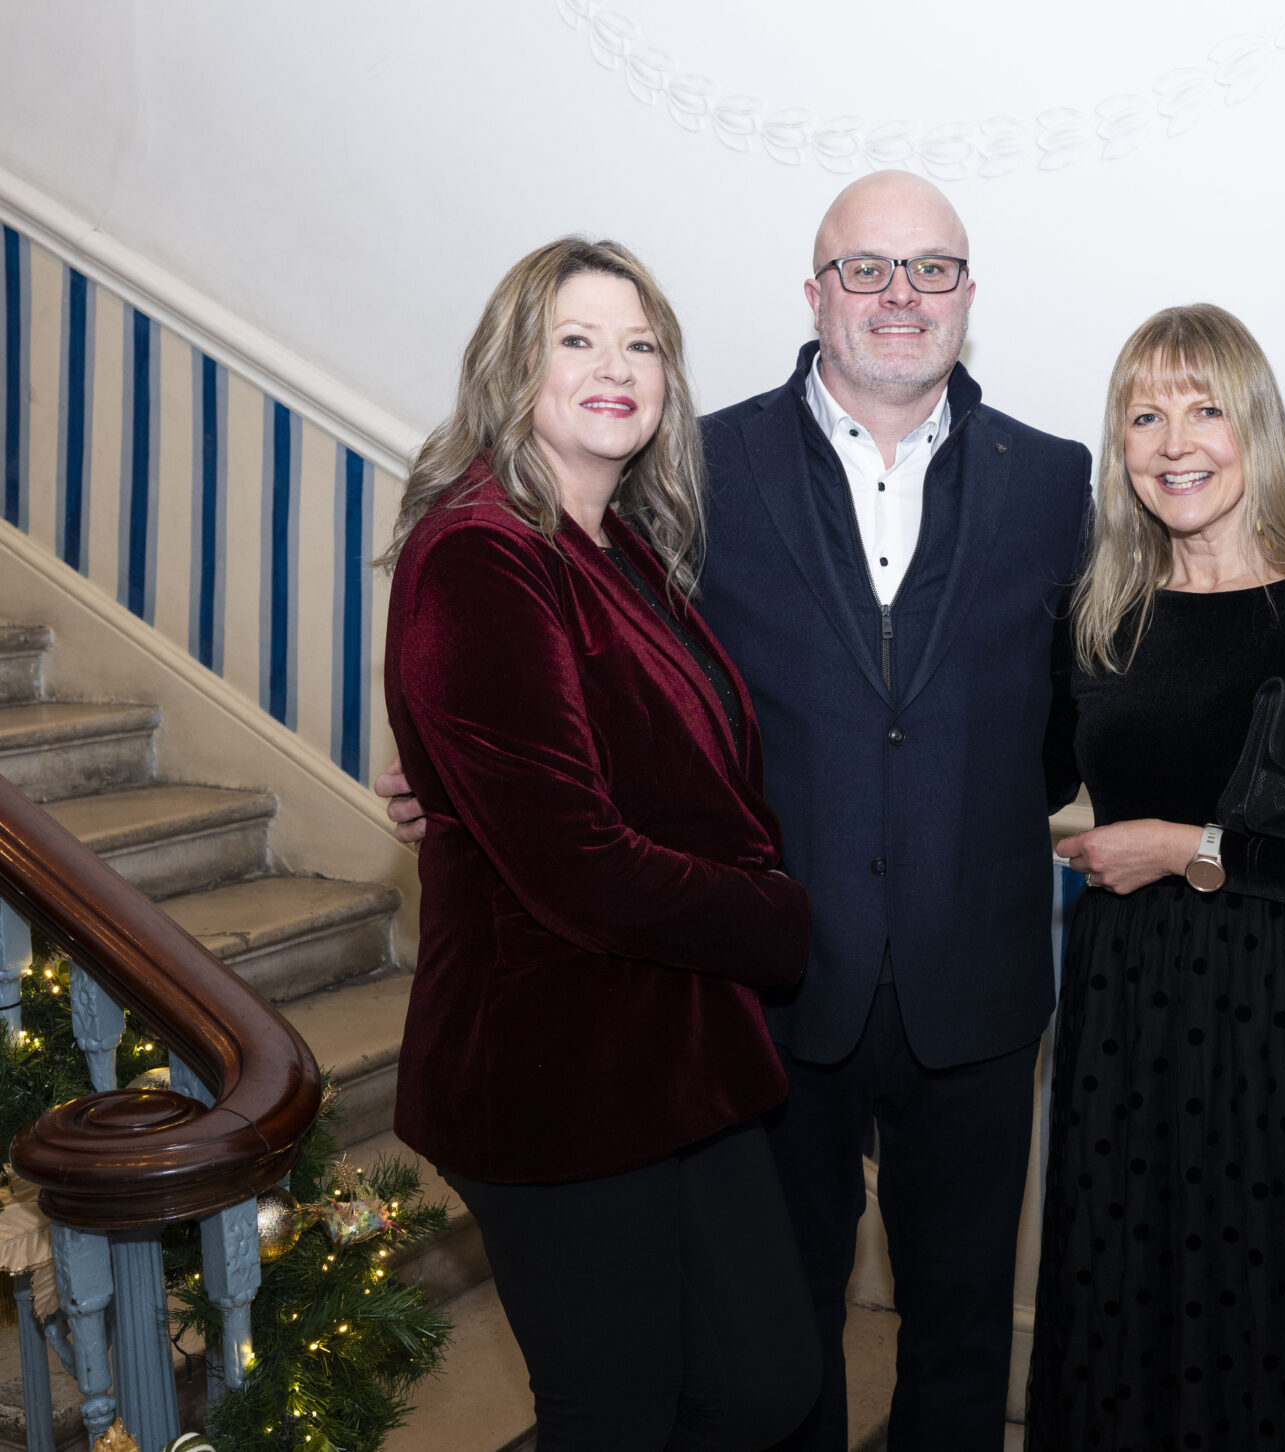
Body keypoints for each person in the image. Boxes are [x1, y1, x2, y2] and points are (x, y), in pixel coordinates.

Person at [379, 177, 1090, 1449]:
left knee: (951, 1335)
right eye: (866, 268)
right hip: (760, 1002)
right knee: (771, 1359)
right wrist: (460, 779)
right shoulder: (695, 465)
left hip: (973, 981)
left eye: (931, 269)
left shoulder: (1049, 479)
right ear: (815, 292)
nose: (899, 296)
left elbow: (1067, 716)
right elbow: (561, 718)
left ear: (968, 295)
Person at [380, 237, 820, 1452]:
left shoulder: (614, 542)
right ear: (512, 367)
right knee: (614, 1413)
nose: (615, 368)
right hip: (549, 1065)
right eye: (576, 340)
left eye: (642, 345)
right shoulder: (480, 552)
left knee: (766, 1380)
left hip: (673, 1046)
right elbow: (575, 859)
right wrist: (777, 918)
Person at [1033, 303, 1285, 1450]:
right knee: (1134, 1310)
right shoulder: (1097, 613)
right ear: (1119, 444)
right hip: (1130, 1022)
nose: (1175, 444)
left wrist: (1189, 848)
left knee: (1279, 1319)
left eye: (1204, 409)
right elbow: (1022, 778)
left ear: (1253, 425)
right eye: (1145, 416)